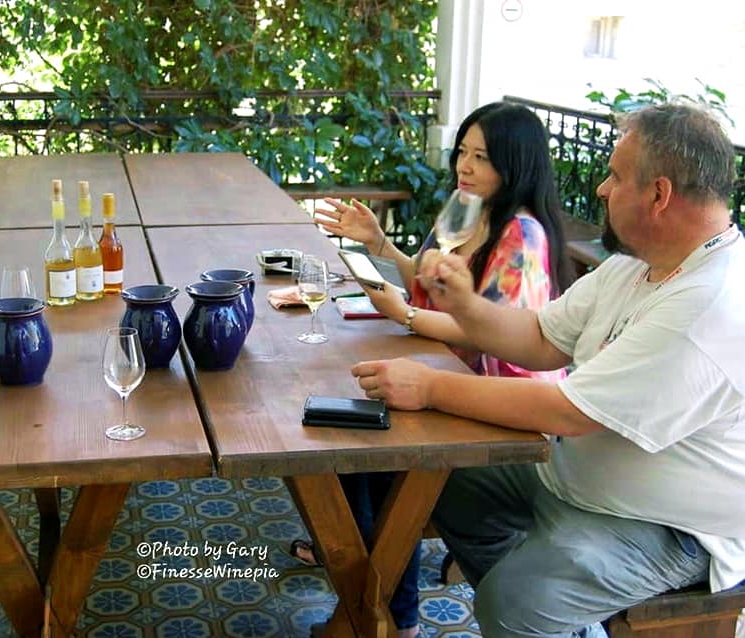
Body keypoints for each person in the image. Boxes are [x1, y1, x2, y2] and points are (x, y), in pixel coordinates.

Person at [352, 102, 745, 638]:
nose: (601, 189)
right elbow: (541, 337)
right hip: (569, 475)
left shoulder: (709, 303)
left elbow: (567, 412)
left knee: (515, 602)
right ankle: (557, 620)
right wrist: (465, 305)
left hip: (667, 526)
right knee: (431, 477)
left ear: (659, 194)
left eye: (615, 176)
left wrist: (430, 387)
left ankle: (537, 612)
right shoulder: (635, 263)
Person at [297, 102, 574, 638]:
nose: (464, 166)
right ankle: (369, 599)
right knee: (356, 434)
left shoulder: (522, 235)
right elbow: (430, 288)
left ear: (515, 163)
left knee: (379, 452)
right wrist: (379, 245)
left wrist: (404, 314)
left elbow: (486, 330)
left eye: (482, 157)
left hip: (503, 399)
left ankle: (386, 614)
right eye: (463, 152)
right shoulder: (463, 208)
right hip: (446, 374)